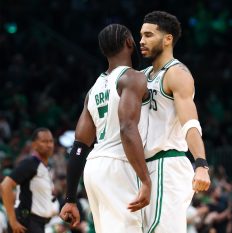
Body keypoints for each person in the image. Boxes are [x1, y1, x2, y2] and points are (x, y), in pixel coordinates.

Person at [59, 24, 151, 233]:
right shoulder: (133, 77)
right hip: (119, 163)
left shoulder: (94, 89)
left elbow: (80, 146)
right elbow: (127, 128)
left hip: (94, 166)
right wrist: (145, 179)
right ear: (129, 42)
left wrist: (70, 198)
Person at [139, 11, 211, 233]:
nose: (141, 41)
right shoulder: (141, 75)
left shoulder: (177, 73)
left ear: (167, 39)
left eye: (149, 35)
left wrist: (201, 164)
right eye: (141, 35)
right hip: (144, 168)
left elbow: (190, 123)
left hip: (166, 165)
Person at [1, 127, 56, 233]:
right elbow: (5, 185)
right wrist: (12, 221)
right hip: (26, 221)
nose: (49, 145)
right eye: (44, 141)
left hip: (37, 223)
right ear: (34, 144)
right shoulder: (30, 163)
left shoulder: (45, 166)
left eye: (51, 141)